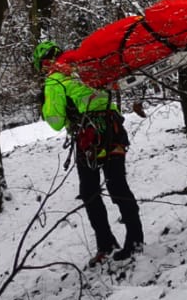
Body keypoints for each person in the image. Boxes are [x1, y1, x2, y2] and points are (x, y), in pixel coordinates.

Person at [34, 39, 144, 262]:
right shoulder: (84, 67)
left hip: (89, 139)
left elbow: (55, 121)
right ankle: (135, 238)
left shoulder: (55, 80)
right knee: (118, 184)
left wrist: (45, 105)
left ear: (43, 64)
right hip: (113, 129)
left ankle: (105, 244)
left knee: (90, 193)